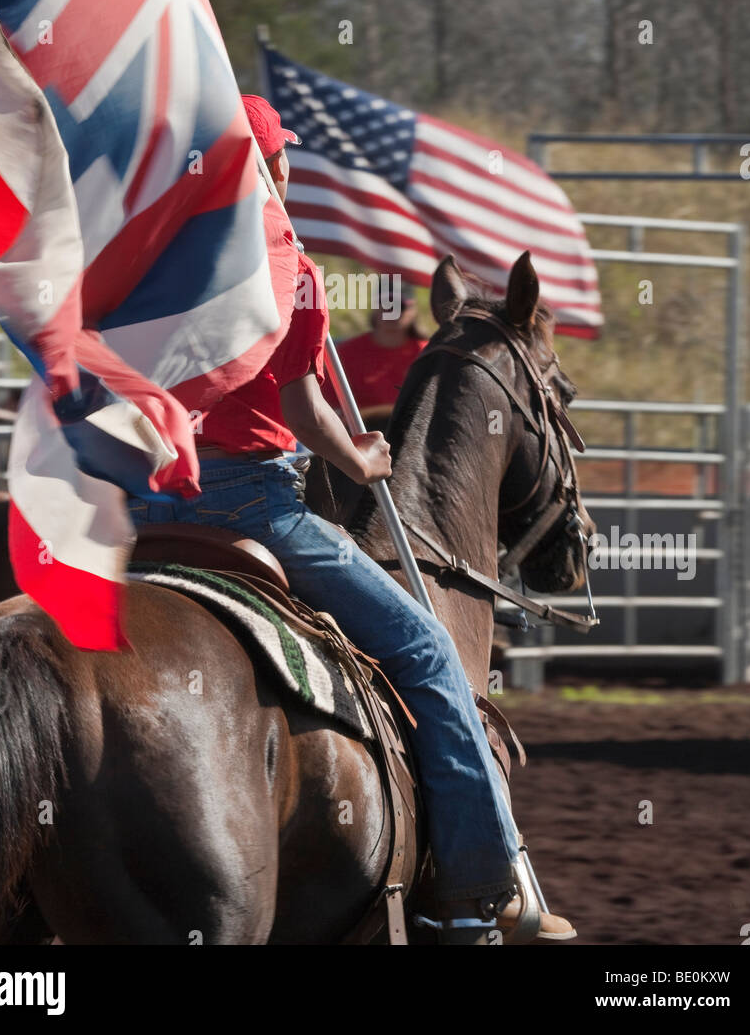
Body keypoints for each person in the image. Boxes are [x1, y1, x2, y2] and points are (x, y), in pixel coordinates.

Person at [127, 94, 573, 944]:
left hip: (149, 496)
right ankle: (480, 886)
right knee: (427, 652)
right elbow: (300, 408)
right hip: (250, 499)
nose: (291, 167)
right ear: (271, 165)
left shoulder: (155, 252)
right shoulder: (285, 260)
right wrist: (358, 461)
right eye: (282, 156)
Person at [322, 285, 428, 425]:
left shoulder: (429, 354)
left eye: (399, 307)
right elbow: (328, 408)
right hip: (361, 435)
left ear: (413, 311)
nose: (391, 312)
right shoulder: (346, 353)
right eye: (386, 305)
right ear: (374, 308)